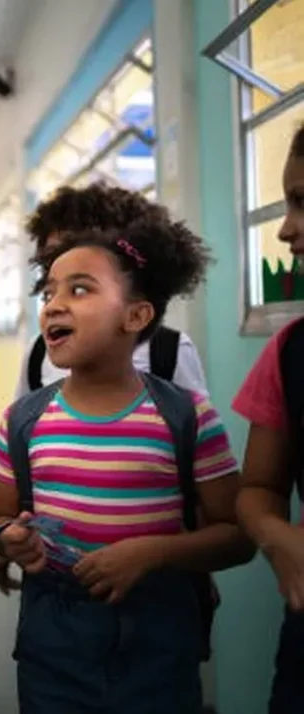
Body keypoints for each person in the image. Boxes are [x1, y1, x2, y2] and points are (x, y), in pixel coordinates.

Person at [0, 218, 254, 712]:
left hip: (158, 650)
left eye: (80, 289)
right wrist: (11, 539)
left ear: (135, 316)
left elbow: (238, 535)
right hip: (53, 649)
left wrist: (151, 554)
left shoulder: (187, 416)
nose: (54, 305)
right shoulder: (22, 420)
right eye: (48, 294)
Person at [232, 123, 304, 714]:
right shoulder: (290, 353)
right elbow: (258, 488)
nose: (286, 229)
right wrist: (280, 541)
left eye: (302, 202)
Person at [14, 184, 209, 399]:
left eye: (80, 287)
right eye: (51, 261)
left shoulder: (169, 351)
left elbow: (195, 427)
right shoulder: (38, 354)